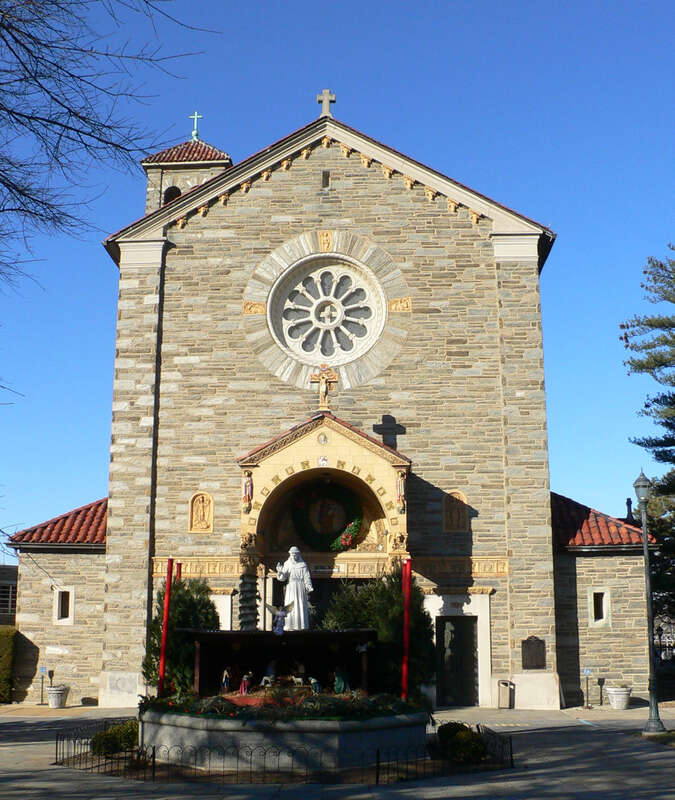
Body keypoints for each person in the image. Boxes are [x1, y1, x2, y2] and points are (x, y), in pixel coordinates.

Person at [276, 546, 313, 630]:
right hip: (291, 587)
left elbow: (307, 577)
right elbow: (283, 578)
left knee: (300, 604)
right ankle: (290, 625)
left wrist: (309, 586)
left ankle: (301, 625)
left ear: (298, 555)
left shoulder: (303, 565)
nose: (293, 556)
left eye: (295, 555)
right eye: (292, 555)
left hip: (300, 587)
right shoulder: (287, 563)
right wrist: (280, 572)